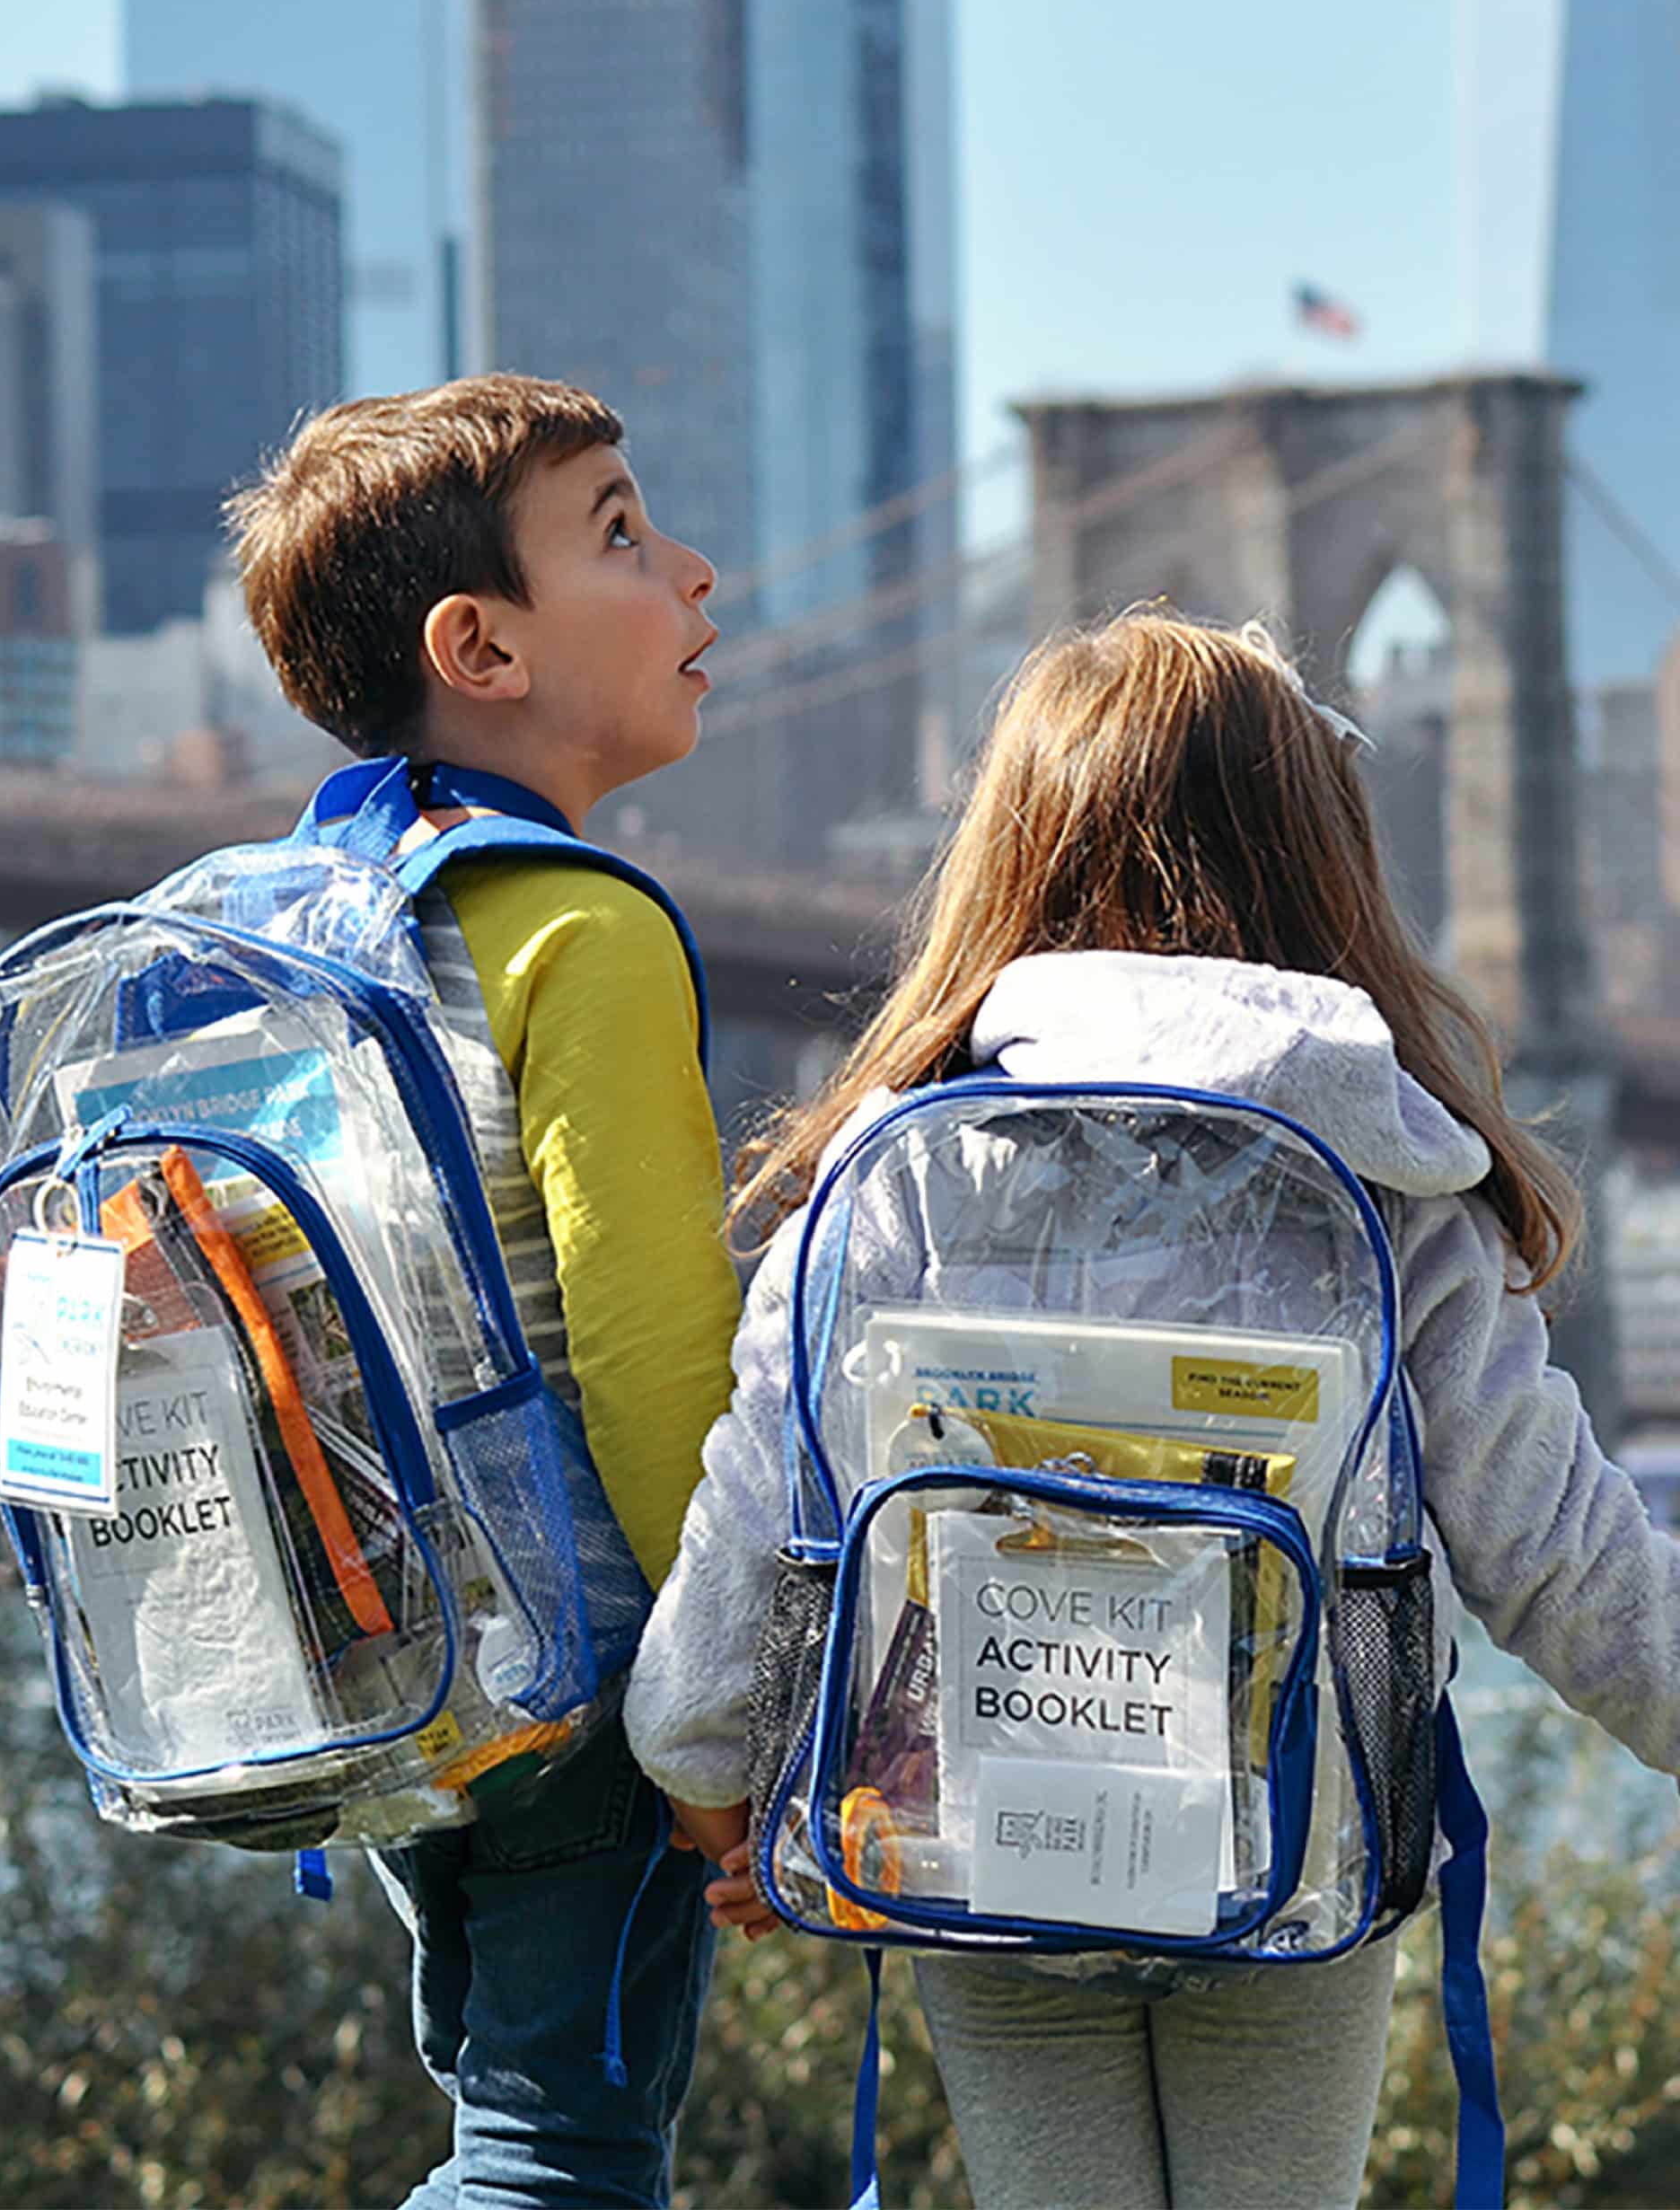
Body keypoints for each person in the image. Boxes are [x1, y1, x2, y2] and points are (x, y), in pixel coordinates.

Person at [622, 610, 1680, 2210]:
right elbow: (1566, 1567)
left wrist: (717, 1783)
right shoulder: (1397, 1192)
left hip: (975, 1837)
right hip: (1297, 1865)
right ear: (1319, 860)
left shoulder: (894, 1175)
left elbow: (760, 1509)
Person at [226, 374, 743, 2209]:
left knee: (507, 2118)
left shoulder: (277, 917)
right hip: (577, 1676)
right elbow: (655, 1353)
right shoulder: (582, 925)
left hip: (367, 1658)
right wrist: (727, 1709)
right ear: (479, 644)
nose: (693, 570)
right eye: (617, 530)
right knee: (560, 2157)